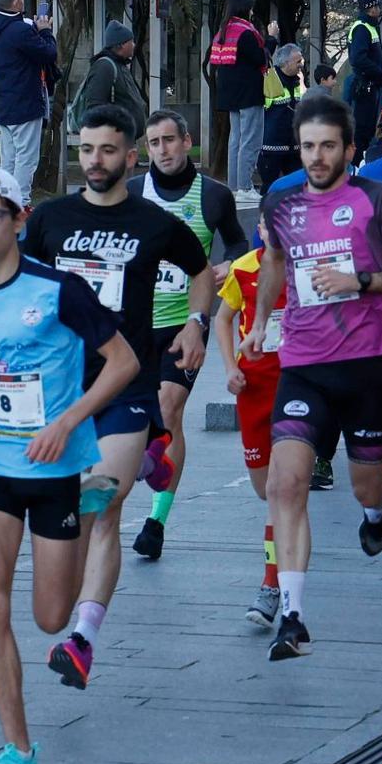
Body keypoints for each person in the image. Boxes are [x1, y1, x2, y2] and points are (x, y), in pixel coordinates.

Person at [0, 166, 137, 764]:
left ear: (20, 220)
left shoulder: (58, 290)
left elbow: (123, 362)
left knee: (50, 618)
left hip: (55, 468)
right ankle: (18, 751)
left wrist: (70, 419)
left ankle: (87, 500)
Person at [22, 106, 214, 688]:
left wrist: (197, 322)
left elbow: (201, 269)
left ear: (130, 158)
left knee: (104, 504)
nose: (95, 161)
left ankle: (83, 639)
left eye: (108, 151)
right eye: (86, 150)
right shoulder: (51, 219)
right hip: (61, 387)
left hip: (127, 379)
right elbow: (24, 280)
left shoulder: (151, 222)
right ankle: (153, 452)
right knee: (76, 507)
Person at [238, 95, 382, 659]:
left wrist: (362, 282)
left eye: (328, 146)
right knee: (284, 484)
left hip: (365, 367)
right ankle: (293, 618)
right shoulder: (280, 201)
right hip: (302, 366)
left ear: (349, 148)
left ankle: (376, 510)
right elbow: (274, 262)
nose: (317, 157)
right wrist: (259, 323)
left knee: (364, 484)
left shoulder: (377, 199)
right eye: (307, 146)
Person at [125, 111, 247, 561]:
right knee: (142, 421)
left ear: (187, 142)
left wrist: (229, 264)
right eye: (154, 143)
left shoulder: (213, 195)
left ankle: (156, 521)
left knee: (168, 409)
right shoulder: (134, 192)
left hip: (185, 326)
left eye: (169, 141)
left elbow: (237, 242)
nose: (163, 150)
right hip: (133, 327)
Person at [213, 231, 290, 630]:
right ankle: (286, 552)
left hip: (297, 389)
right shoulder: (243, 268)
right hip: (254, 390)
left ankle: (272, 586)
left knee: (280, 490)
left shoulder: (305, 266)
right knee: (265, 489)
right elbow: (223, 319)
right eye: (265, 222)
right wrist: (230, 369)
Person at [0, 0, 57, 195]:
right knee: (26, 157)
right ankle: (20, 201)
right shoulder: (19, 30)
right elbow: (49, 53)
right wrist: (44, 31)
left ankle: (5, 198)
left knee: (9, 157)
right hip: (25, 102)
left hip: (4, 103)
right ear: (16, 2)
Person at [342, 0, 382, 156]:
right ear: (370, 9)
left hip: (373, 86)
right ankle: (357, 165)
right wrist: (379, 73)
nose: (379, 9)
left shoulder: (370, 26)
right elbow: (358, 59)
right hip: (366, 87)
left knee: (369, 129)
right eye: (376, 6)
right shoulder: (361, 28)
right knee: (363, 130)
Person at [77, 21, 147, 139]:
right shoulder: (104, 67)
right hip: (113, 141)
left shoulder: (120, 65)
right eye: (131, 41)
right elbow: (95, 105)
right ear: (121, 45)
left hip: (124, 140)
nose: (134, 45)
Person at [257, 43, 305, 189]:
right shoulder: (270, 80)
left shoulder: (297, 81)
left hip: (294, 147)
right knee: (270, 189)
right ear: (286, 63)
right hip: (271, 148)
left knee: (298, 190)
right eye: (298, 61)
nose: (301, 64)